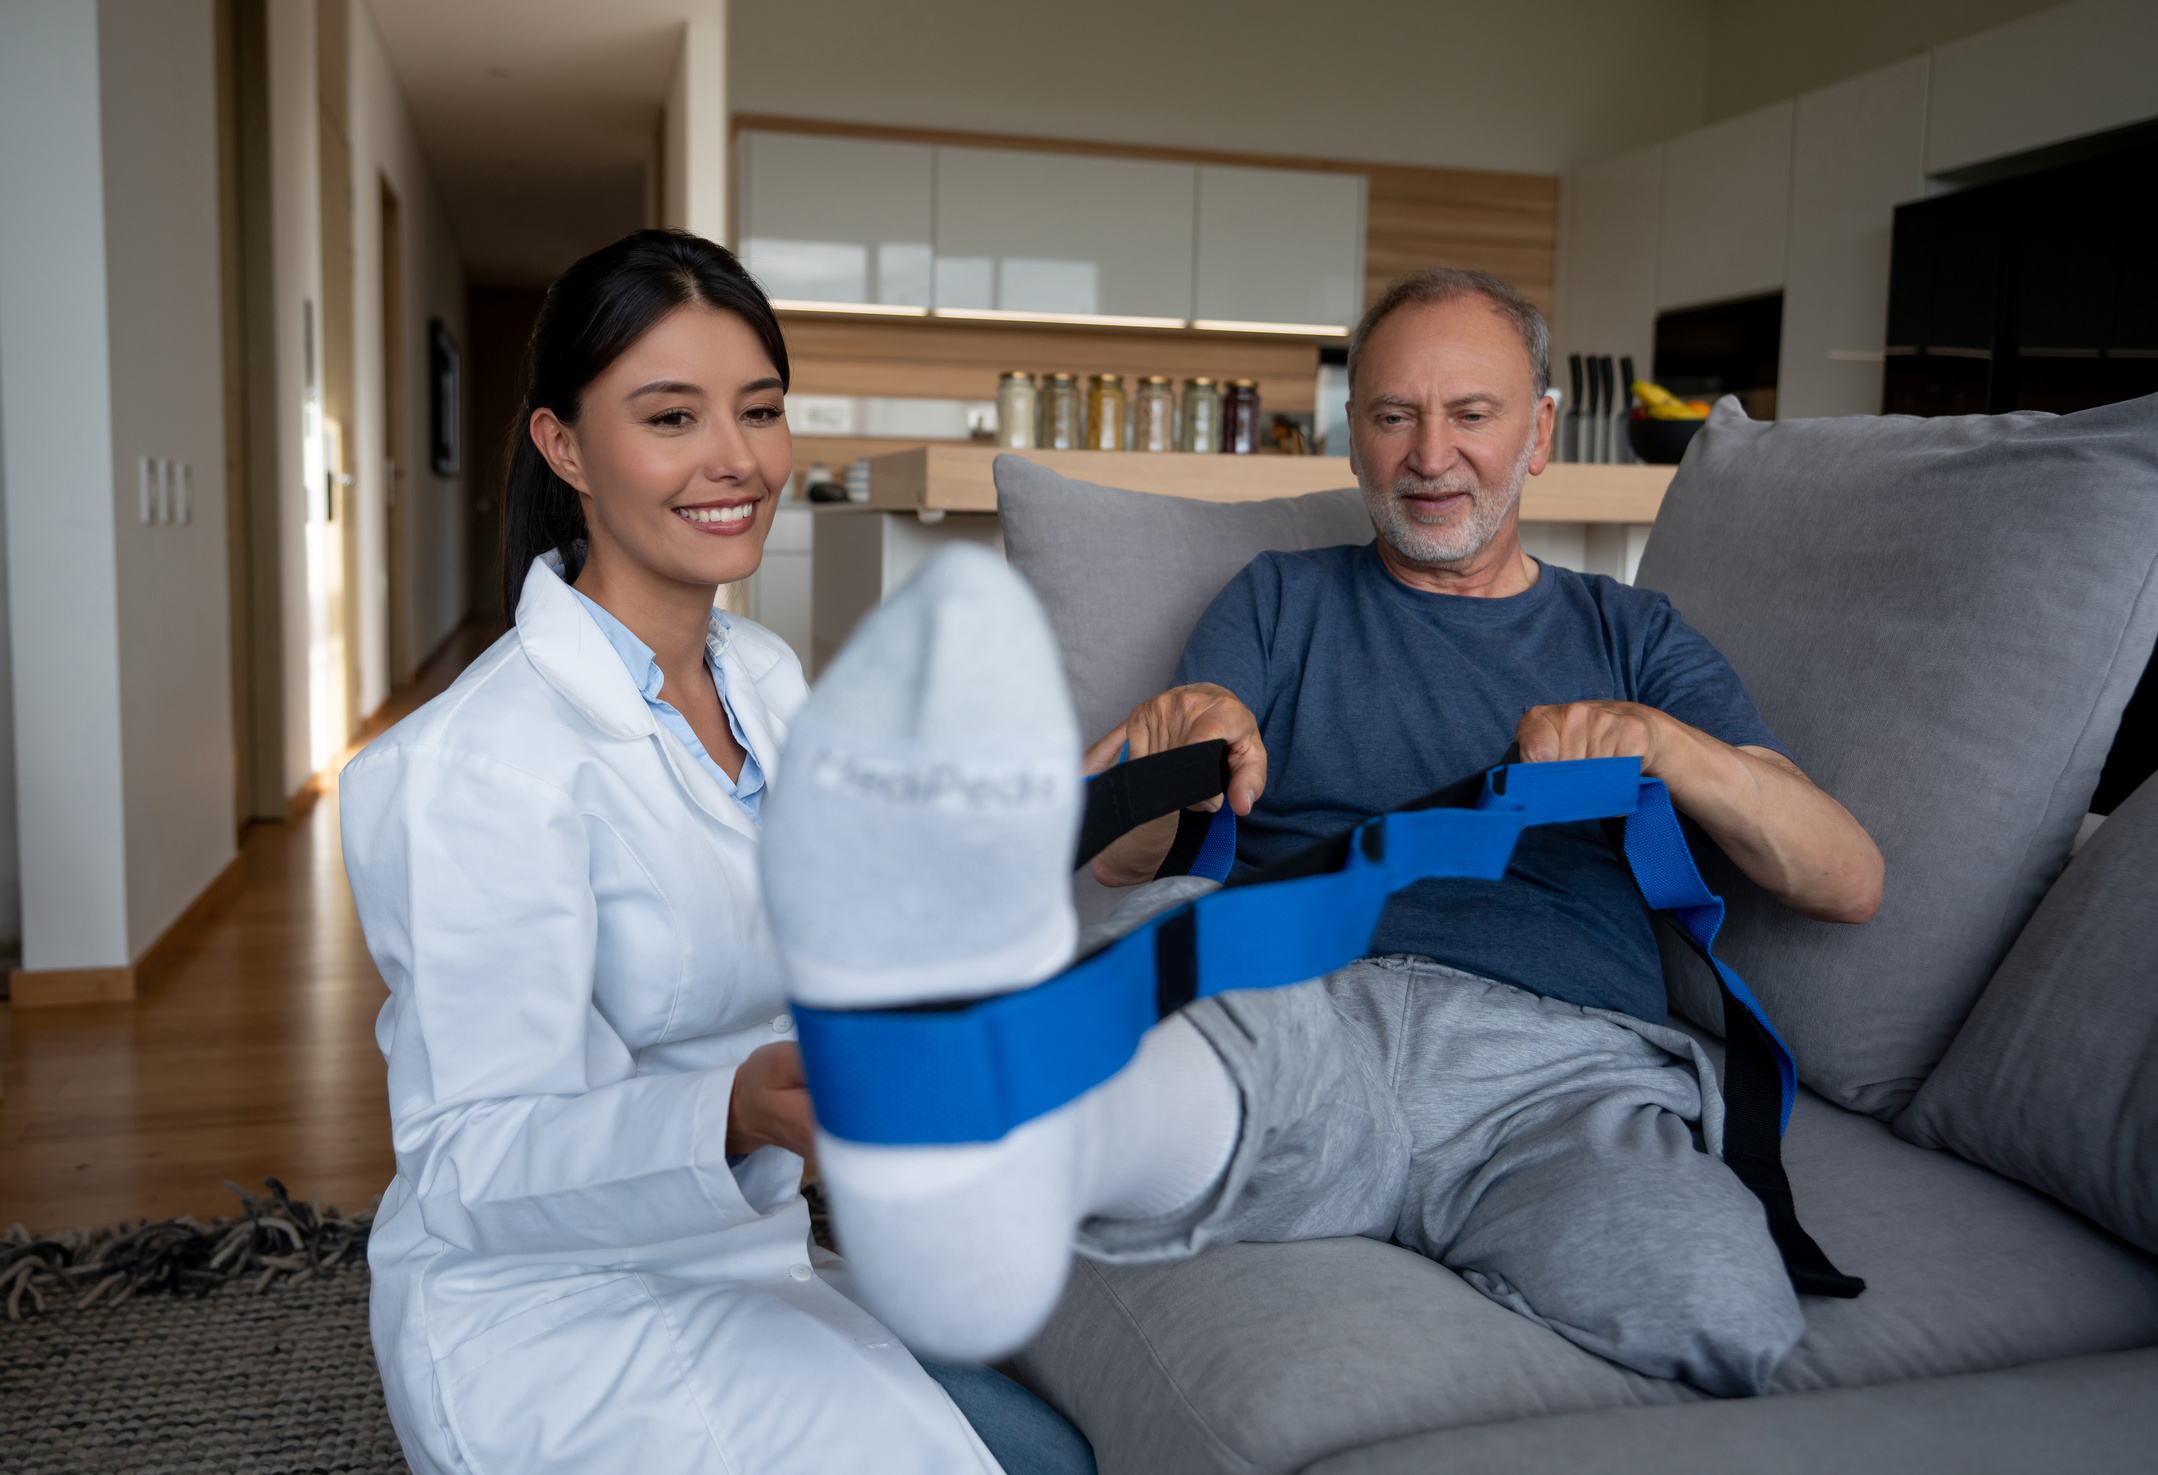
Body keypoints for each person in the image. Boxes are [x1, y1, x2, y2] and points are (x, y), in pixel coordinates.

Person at [759, 268, 1885, 1399]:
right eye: (1395, 415)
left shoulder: (1630, 633)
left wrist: (1665, 746)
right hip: (1291, 1003)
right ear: (1355, 436)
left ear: (1538, 432)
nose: (1430, 455)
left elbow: (1846, 878)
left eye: (1471, 415)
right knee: (1155, 1003)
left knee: (1726, 1311)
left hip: (1555, 1077)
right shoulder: (1276, 601)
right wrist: (1164, 752)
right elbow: (1126, 862)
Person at [340, 230, 1094, 1475]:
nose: (734, 459)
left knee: (1054, 1455)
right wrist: (733, 1110)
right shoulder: (472, 768)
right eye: (671, 416)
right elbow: (470, 1163)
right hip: (551, 1312)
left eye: (758, 408)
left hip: (740, 1247)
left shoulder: (764, 677)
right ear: (563, 446)